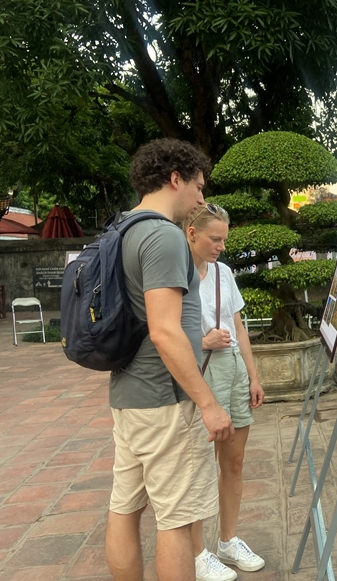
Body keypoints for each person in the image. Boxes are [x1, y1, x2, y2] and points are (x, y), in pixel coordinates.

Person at [105, 139, 235, 580]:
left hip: (128, 394)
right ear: (175, 179)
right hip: (165, 400)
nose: (201, 198)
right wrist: (208, 403)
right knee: (177, 519)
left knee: (124, 508)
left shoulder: (122, 228)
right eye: (198, 186)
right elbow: (165, 330)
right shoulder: (163, 235)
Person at [184, 204, 266, 578]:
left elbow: (238, 326)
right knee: (199, 465)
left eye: (224, 240)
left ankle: (228, 540)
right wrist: (203, 342)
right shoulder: (177, 274)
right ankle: (197, 553)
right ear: (192, 234)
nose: (220, 246)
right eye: (214, 239)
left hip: (232, 367)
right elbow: (163, 334)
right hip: (201, 370)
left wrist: (253, 376)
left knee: (234, 461)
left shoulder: (224, 273)